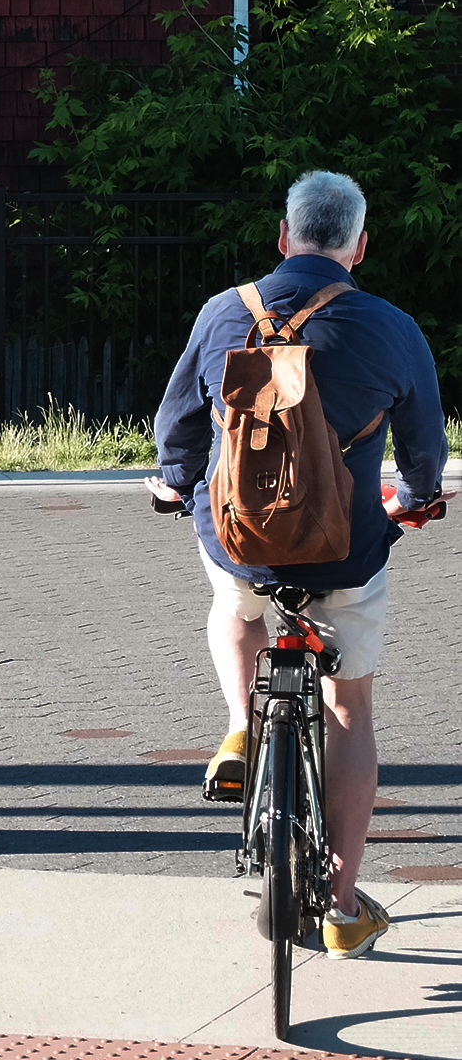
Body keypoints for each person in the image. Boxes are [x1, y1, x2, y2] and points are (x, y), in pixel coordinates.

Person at [152, 170, 448, 959]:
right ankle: (344, 907)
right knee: (350, 707)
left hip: (241, 544)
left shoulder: (223, 313)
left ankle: (242, 730)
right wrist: (414, 500)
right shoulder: (392, 328)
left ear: (284, 238)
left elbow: (176, 424)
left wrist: (178, 484)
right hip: (346, 549)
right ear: (358, 245)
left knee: (234, 602)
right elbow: (426, 451)